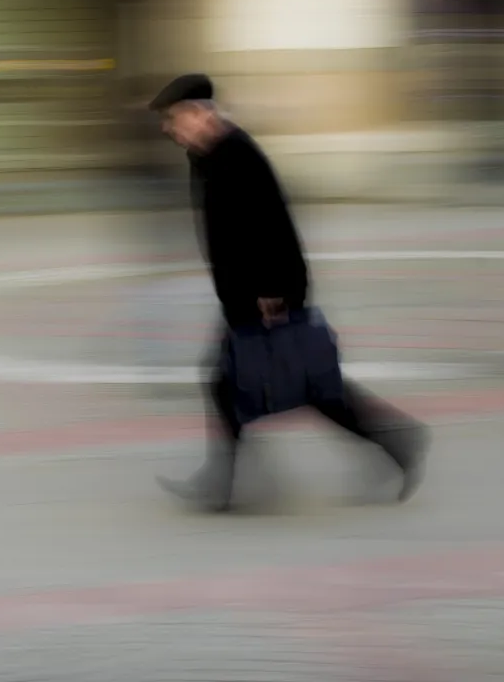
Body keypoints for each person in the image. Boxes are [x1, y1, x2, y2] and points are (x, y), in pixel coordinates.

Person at [149, 73, 431, 512]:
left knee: (286, 386)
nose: (169, 128)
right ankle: (396, 443)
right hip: (245, 293)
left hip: (267, 295)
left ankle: (397, 442)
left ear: (198, 113)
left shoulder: (237, 154)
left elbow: (271, 225)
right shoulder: (205, 155)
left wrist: (272, 292)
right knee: (254, 384)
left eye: (174, 118)